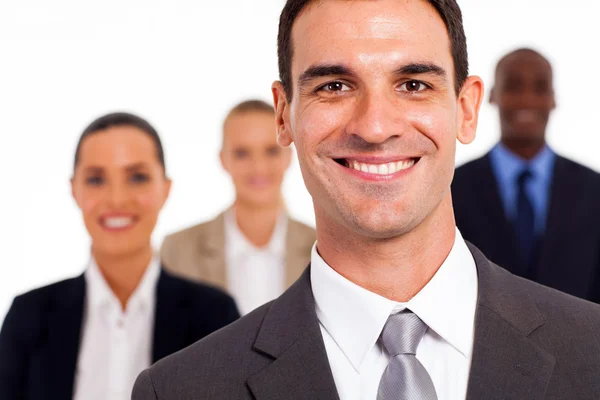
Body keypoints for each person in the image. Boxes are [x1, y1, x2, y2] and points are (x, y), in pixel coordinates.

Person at [133, 1, 600, 399]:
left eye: (413, 84)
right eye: (334, 86)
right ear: (283, 115)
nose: (375, 127)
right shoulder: (180, 389)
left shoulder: (592, 352)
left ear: (467, 109)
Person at [0, 112, 239, 400]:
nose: (116, 199)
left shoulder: (214, 317)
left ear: (165, 189)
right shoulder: (29, 316)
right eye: (96, 179)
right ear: (74, 190)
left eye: (137, 177)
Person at [452, 49, 600, 302]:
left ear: (553, 99)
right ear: (491, 96)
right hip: (481, 339)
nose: (527, 99)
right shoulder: (452, 188)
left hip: (578, 339)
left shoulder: (593, 190)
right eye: (514, 86)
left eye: (540, 88)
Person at [160, 99, 315, 315]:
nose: (258, 167)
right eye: (242, 153)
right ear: (223, 160)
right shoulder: (179, 250)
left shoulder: (322, 250)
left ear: (288, 156)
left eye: (271, 151)